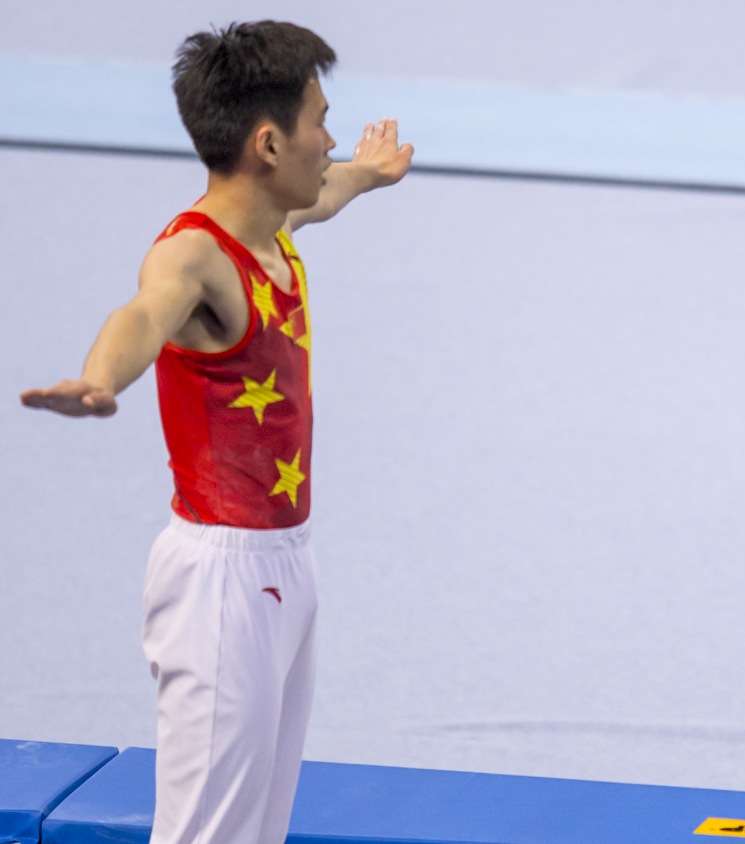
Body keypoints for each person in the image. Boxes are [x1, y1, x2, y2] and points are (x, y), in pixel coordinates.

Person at [20, 21, 412, 844]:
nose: (332, 139)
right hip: (222, 586)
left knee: (257, 830)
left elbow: (329, 190)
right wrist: (99, 379)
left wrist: (368, 175)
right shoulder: (196, 255)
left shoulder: (274, 225)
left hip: (286, 563)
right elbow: (141, 315)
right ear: (269, 143)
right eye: (320, 120)